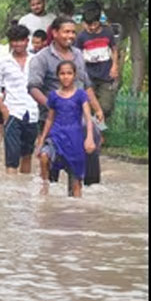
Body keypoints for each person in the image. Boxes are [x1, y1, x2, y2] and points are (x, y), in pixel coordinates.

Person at [28, 15, 104, 186]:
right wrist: (52, 104)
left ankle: (88, 189)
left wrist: (97, 109)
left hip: (79, 119)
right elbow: (33, 87)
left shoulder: (77, 55)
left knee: (92, 141)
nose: (71, 36)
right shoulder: (42, 58)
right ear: (55, 33)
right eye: (66, 32)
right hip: (53, 118)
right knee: (50, 165)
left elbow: (85, 84)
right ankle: (49, 193)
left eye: (73, 32)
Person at [35, 61, 96, 198]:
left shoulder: (81, 95)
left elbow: (87, 117)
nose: (66, 77)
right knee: (44, 156)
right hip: (56, 137)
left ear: (74, 75)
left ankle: (75, 211)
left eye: (69, 73)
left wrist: (90, 137)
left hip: (75, 140)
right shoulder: (54, 96)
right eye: (62, 73)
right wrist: (41, 141)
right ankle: (45, 185)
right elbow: (49, 119)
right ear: (58, 76)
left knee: (75, 185)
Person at [0, 25, 39, 175]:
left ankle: (24, 190)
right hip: (12, 112)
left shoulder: (36, 61)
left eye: (21, 41)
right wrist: (3, 107)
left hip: (32, 112)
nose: (18, 44)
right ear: (10, 43)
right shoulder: (3, 61)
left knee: (27, 154)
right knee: (12, 156)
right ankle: (11, 191)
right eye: (14, 41)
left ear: (27, 41)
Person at [75, 1, 118, 121]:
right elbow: (76, 55)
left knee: (106, 106)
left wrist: (115, 66)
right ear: (84, 23)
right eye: (89, 25)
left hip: (105, 73)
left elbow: (114, 49)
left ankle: (100, 125)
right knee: (88, 103)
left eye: (95, 24)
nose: (92, 27)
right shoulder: (81, 37)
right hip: (89, 74)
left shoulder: (107, 32)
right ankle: (92, 129)